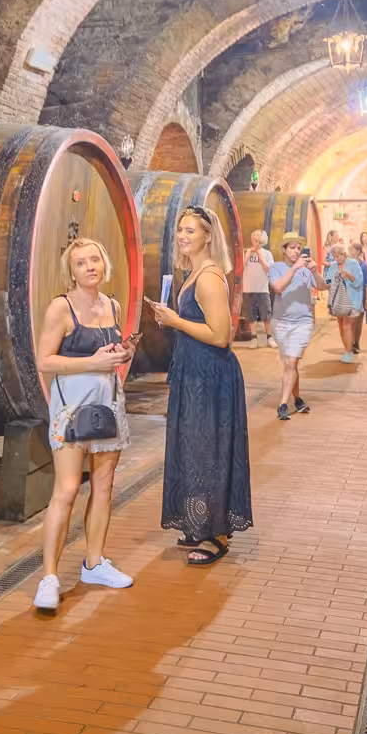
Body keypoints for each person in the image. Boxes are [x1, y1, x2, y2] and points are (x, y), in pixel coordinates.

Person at [33, 238, 135, 610]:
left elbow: (112, 355)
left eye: (95, 259)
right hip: (72, 408)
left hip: (108, 404)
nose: (90, 266)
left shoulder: (112, 305)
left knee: (104, 487)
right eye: (81, 263)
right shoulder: (61, 308)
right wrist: (93, 362)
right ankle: (49, 577)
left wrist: (122, 353)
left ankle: (94, 563)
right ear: (71, 272)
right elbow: (45, 361)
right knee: (68, 489)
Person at [147, 205, 251, 565]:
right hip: (194, 372)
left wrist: (176, 321)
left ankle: (217, 534)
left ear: (208, 236)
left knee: (210, 451)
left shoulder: (208, 277)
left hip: (211, 375)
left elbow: (221, 336)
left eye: (191, 230)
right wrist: (172, 320)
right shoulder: (191, 273)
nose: (183, 236)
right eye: (180, 229)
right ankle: (200, 523)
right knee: (194, 446)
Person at [268, 236, 325, 419]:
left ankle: (283, 404)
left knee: (292, 362)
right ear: (284, 250)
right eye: (292, 247)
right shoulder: (276, 268)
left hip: (303, 321)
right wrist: (294, 268)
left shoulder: (307, 270)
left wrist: (315, 272)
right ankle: (298, 398)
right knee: (289, 365)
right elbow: (278, 287)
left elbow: (323, 287)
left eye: (298, 247)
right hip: (281, 322)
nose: (296, 251)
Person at [324, 243, 365, 363]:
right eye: (334, 256)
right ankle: (347, 349)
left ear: (343, 254)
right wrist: (326, 283)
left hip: (352, 300)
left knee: (347, 325)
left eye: (338, 256)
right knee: (341, 326)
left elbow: (359, 281)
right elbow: (328, 279)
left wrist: (347, 276)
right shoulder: (333, 266)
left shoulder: (353, 264)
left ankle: (349, 351)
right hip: (338, 301)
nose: (336, 259)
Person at [240, 230, 275, 349]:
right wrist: (248, 255)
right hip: (248, 288)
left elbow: (269, 269)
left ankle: (269, 337)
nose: (256, 240)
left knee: (266, 314)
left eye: (259, 239)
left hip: (263, 289)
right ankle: (254, 338)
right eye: (254, 237)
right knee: (250, 315)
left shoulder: (267, 253)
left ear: (263, 241)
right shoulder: (246, 252)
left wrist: (260, 255)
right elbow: (239, 268)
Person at [349, 241, 367, 353]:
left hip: (361, 296)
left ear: (358, 251)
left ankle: (356, 342)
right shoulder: (347, 264)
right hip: (350, 296)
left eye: (352, 250)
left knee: (358, 321)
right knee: (351, 320)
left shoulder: (364, 266)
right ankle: (351, 342)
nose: (350, 252)